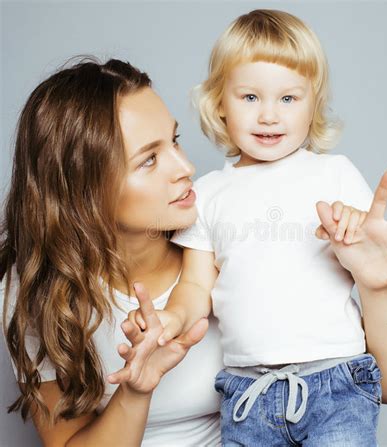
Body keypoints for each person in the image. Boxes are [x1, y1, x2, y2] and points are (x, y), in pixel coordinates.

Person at [132, 9, 387, 446]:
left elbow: (369, 238)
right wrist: (173, 317)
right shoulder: (208, 194)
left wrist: (356, 228)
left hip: (336, 385)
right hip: (247, 393)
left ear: (313, 104)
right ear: (220, 104)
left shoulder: (336, 175)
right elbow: (195, 285)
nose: (269, 116)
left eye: (288, 99)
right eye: (250, 97)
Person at [0, 58, 224, 446]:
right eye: (149, 159)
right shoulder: (34, 286)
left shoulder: (224, 234)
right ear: (85, 190)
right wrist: (135, 392)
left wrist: (370, 284)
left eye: (174, 140)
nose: (186, 166)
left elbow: (345, 378)